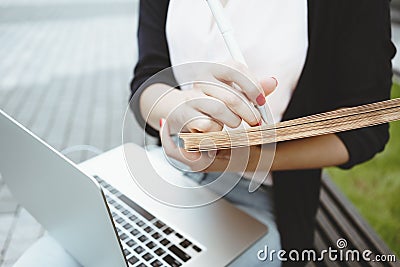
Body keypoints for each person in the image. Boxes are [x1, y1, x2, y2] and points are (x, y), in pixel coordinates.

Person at [130, 0, 395, 266]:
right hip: (172, 168)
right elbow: (147, 79)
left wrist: (251, 158)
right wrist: (177, 108)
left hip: (264, 194)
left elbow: (366, 130)